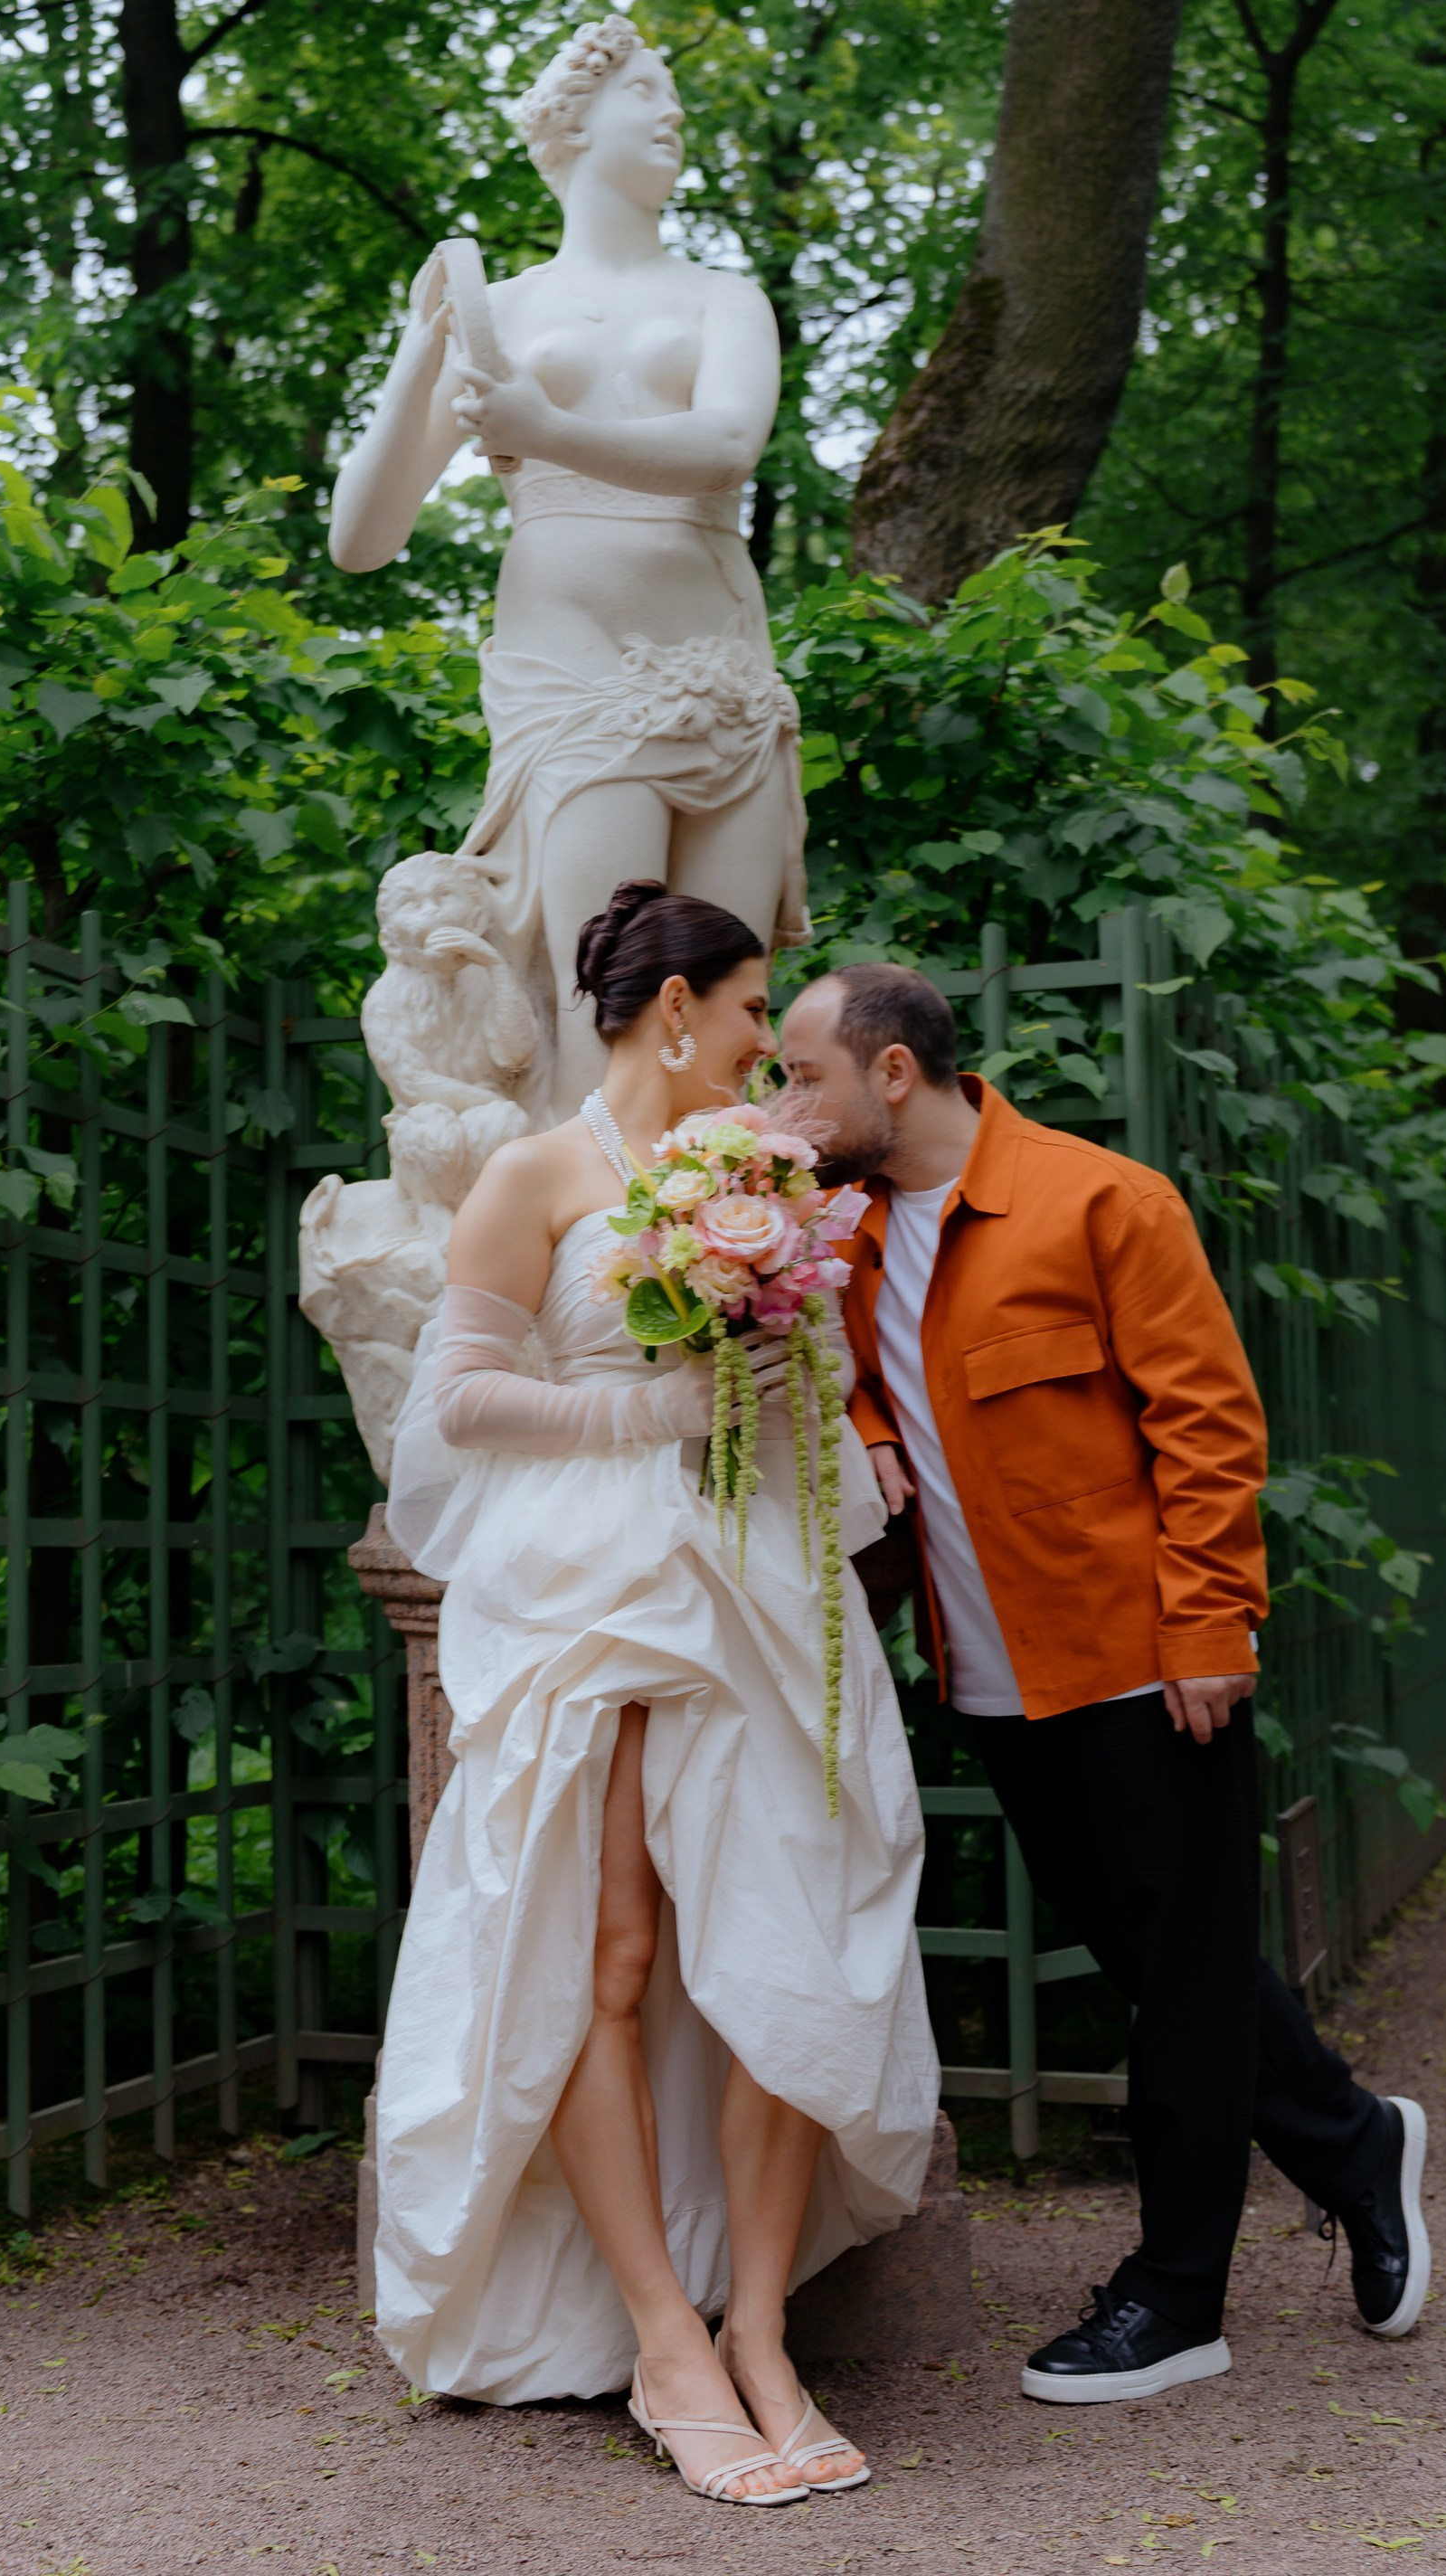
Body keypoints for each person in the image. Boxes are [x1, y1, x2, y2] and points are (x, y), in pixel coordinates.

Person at [779, 961, 1431, 2405]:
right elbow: (867, 1382)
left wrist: (1208, 1628)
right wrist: (874, 1426)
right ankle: (1346, 2138)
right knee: (1159, 1958)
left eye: (803, 1073)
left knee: (1184, 1986)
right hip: (995, 1673)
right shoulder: (854, 1240)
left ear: (895, 1073)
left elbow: (1207, 1424)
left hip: (1145, 1662)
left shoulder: (1102, 1202)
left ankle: (1178, 2298)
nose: (788, 1104)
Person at [374, 886, 939, 2499]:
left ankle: (759, 2324)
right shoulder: (533, 1174)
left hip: (754, 1574)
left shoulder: (771, 1175)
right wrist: (659, 1408)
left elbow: (813, 1389)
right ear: (677, 1006)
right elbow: (464, 1404)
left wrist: (782, 1375)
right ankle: (663, 2341)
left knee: (786, 1931)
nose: (777, 1043)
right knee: (604, 1947)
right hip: (593, 1586)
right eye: (759, 1007)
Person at [327, 14, 808, 1120]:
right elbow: (361, 539)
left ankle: (728, 1264)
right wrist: (423, 346)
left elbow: (727, 444)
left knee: (731, 1002)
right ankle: (598, 1263)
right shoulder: (503, 315)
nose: (673, 111)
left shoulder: (722, 297)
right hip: (578, 679)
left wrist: (537, 424)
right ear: (572, 123)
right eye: (647, 89)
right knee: (613, 996)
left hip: (724, 684)